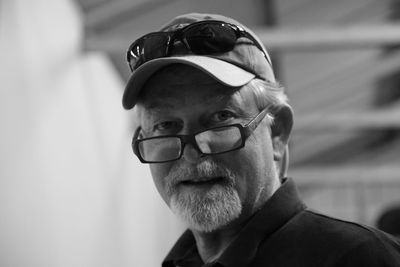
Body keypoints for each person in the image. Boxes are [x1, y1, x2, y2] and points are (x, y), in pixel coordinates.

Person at [122, 13, 400, 266]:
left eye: (221, 117)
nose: (193, 153)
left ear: (277, 131)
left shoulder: (363, 258)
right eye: (165, 125)